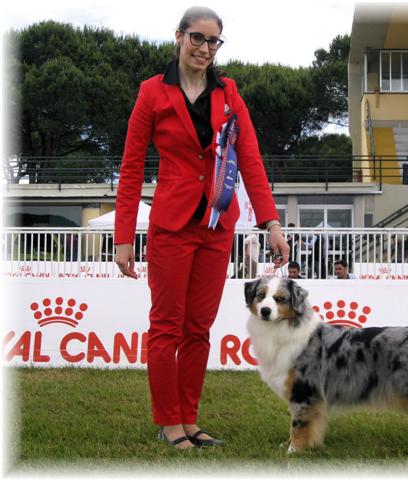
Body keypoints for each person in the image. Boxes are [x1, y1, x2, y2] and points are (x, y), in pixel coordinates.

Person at [114, 6, 289, 451]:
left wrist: (270, 220)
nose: (205, 49)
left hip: (217, 227)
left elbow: (249, 158)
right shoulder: (151, 93)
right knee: (166, 327)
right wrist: (121, 238)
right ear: (179, 36)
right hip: (171, 226)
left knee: (199, 329)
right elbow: (131, 168)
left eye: (214, 42)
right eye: (198, 38)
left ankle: (190, 420)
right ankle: (168, 422)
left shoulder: (229, 93)